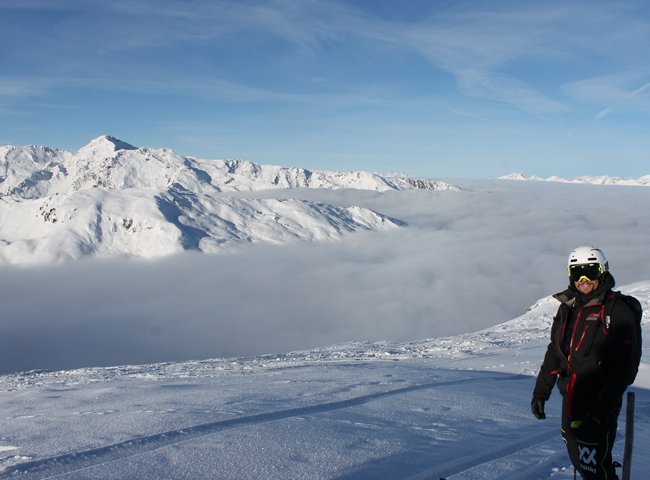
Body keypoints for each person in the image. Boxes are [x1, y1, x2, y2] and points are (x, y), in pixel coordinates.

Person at [531, 246, 641, 480]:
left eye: (590, 271)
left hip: (599, 400)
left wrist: (601, 413)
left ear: (602, 271)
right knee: (579, 459)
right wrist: (541, 392)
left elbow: (625, 369)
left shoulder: (617, 309)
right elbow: (555, 351)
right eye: (577, 272)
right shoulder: (568, 306)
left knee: (594, 465)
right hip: (571, 397)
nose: (584, 279)